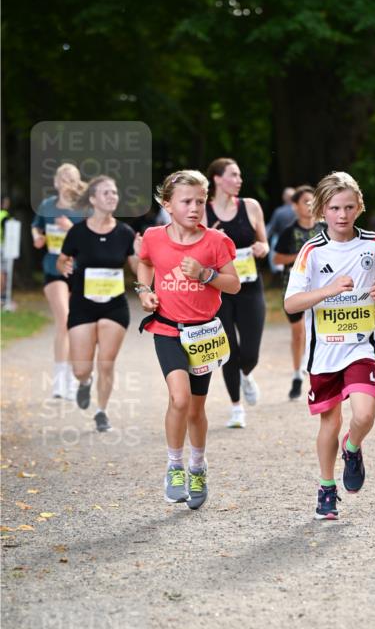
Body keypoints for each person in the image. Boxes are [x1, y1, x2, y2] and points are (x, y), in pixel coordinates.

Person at [284, 171, 375, 521]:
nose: (342, 215)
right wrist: (328, 290)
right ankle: (327, 487)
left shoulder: (373, 243)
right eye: (334, 208)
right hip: (324, 352)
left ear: (359, 207)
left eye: (348, 207)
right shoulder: (311, 252)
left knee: (364, 414)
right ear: (321, 211)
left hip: (360, 346)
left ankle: (353, 447)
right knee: (329, 423)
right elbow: (291, 303)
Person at [136, 170, 240, 508]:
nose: (194, 208)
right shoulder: (153, 237)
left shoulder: (215, 241)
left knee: (196, 408)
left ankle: (197, 467)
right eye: (186, 202)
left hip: (202, 334)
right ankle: (174, 466)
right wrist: (144, 291)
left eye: (200, 201)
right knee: (179, 399)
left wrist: (205, 274)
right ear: (168, 204)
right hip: (167, 329)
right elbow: (145, 263)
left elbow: (234, 284)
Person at [56, 176, 140, 432]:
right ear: (93, 199)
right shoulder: (78, 232)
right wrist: (64, 266)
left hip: (114, 306)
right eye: (106, 193)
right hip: (82, 305)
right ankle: (85, 382)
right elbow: (62, 259)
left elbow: (137, 269)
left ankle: (101, 412)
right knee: (80, 369)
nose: (112, 196)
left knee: (106, 361)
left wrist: (141, 253)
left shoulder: (125, 233)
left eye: (114, 192)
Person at [205, 157, 269, 428]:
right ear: (217, 179)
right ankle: (236, 408)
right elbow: (193, 251)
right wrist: (208, 238)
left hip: (250, 287)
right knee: (228, 348)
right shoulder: (203, 212)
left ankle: (246, 373)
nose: (239, 180)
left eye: (240, 175)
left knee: (251, 351)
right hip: (219, 291)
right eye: (233, 174)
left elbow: (264, 243)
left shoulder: (251, 206)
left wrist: (262, 248)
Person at [31, 163, 87, 398]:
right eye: (61, 179)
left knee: (74, 324)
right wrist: (38, 237)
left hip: (78, 271)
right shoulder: (47, 205)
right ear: (55, 182)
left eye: (69, 179)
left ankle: (73, 380)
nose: (65, 183)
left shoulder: (84, 208)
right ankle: (59, 381)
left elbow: (92, 239)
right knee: (64, 320)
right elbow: (36, 227)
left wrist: (71, 227)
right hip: (53, 270)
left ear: (75, 182)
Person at [273, 184, 321, 399]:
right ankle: (296, 375)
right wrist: (302, 255)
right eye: (305, 202)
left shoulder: (325, 229)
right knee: (298, 332)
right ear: (295, 206)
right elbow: (276, 259)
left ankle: (315, 371)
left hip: (320, 288)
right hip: (293, 288)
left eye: (312, 201)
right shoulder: (289, 232)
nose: (309, 205)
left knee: (319, 331)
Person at [266, 186, 296, 272]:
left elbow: (271, 228)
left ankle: (277, 269)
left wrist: (263, 238)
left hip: (281, 242)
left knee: (274, 240)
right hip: (298, 242)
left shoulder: (279, 211)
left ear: (284, 197)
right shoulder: (301, 210)